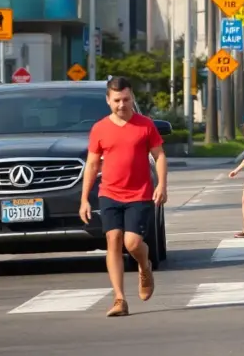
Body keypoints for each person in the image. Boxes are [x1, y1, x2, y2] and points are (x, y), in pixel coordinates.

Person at [79, 76, 168, 317]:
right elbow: (92, 164)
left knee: (132, 243)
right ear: (108, 100)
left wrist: (161, 185)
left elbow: (159, 155)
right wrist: (84, 198)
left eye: (126, 99)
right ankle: (119, 299)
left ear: (132, 98)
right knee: (113, 240)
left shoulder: (145, 125)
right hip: (109, 193)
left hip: (139, 193)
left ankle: (144, 265)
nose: (122, 104)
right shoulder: (99, 128)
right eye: (117, 100)